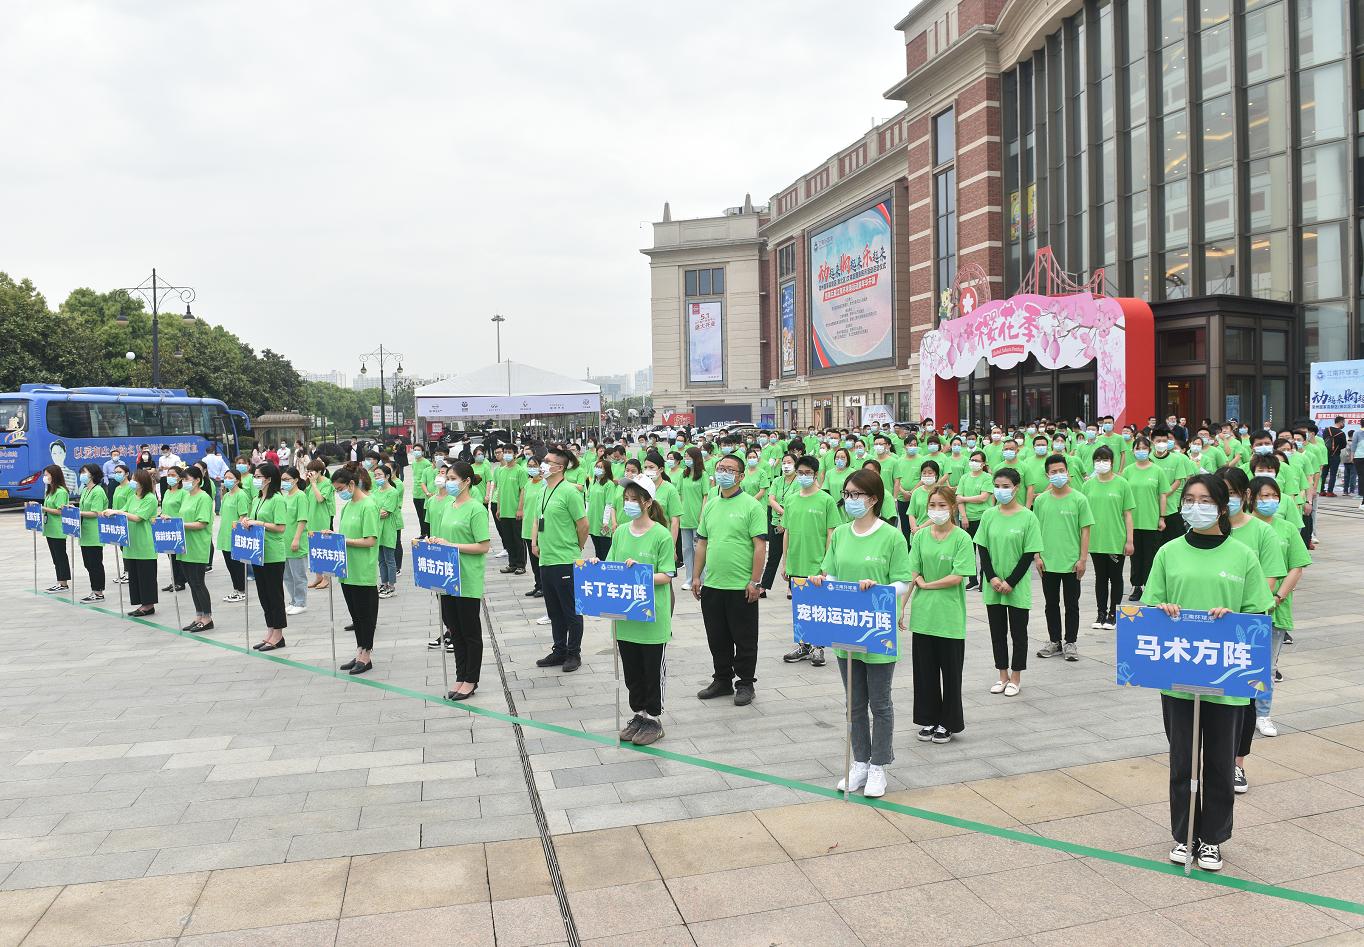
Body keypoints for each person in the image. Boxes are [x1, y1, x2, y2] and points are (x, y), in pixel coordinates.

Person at [1143, 474, 1272, 872]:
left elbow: (1258, 614)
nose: (1195, 506)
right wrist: (1163, 610)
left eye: (1204, 500)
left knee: (1218, 761)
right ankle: (1183, 834)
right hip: (1180, 675)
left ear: (1221, 506)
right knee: (1184, 760)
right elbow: (1148, 608)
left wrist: (1232, 617)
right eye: (1189, 499)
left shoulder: (1242, 556)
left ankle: (1212, 838)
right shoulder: (1168, 553)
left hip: (1227, 679)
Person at [809, 468, 912, 795]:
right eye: (847, 494)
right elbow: (830, 572)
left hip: (877, 631)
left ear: (873, 499)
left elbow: (903, 581)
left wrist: (878, 587)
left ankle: (880, 766)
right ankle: (859, 764)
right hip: (846, 630)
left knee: (879, 704)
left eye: (856, 495)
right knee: (854, 703)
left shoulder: (892, 536)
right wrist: (819, 581)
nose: (850, 500)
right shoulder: (840, 533)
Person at [604, 476, 676, 746]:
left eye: (635, 499)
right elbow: (610, 565)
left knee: (651, 670)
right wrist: (594, 565)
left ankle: (654, 719)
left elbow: (667, 574)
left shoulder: (661, 534)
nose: (630, 504)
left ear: (648, 502)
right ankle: (638, 713)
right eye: (627, 499)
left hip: (651, 616)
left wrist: (640, 573)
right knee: (632, 668)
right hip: (625, 616)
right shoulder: (621, 531)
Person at [692, 451, 767, 706]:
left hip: (741, 586)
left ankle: (745, 683)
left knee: (744, 638)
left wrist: (755, 581)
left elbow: (760, 546)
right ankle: (722, 679)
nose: (723, 473)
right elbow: (702, 543)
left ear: (741, 476)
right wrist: (695, 576)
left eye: (730, 469)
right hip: (713, 584)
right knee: (717, 636)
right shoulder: (711, 504)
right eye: (721, 468)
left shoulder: (751, 506)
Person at [903, 484, 976, 745]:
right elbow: (912, 570)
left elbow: (959, 576)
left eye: (942, 505)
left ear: (953, 507)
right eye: (932, 505)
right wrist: (902, 606)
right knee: (925, 672)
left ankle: (949, 721)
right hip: (923, 615)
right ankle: (929, 718)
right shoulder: (920, 537)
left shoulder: (962, 539)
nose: (937, 510)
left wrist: (927, 584)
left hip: (949, 616)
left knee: (951, 672)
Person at [1247, 474, 1309, 739]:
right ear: (1251, 498)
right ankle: (1241, 711)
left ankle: (1263, 714)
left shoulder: (1286, 528)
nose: (1269, 501)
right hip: (1244, 607)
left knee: (1266, 666)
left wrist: (1278, 597)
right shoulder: (1241, 527)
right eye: (1264, 496)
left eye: (1274, 496)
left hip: (1275, 608)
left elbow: (1297, 566)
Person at [974, 467, 1041, 696]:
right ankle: (1002, 674)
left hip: (1016, 587)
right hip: (993, 586)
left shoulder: (1028, 517)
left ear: (1016, 488)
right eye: (998, 486)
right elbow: (982, 548)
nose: (1001, 491)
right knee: (997, 632)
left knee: (1018, 633)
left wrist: (1010, 582)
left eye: (1006, 486)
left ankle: (1016, 676)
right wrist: (991, 576)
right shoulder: (989, 515)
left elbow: (1028, 553)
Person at [427, 461, 490, 699]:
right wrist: (435, 542)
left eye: (453, 478)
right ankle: (460, 675)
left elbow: (483, 546)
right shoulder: (448, 506)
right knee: (455, 631)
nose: (448, 482)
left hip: (467, 578)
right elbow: (443, 538)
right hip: (447, 578)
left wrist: (451, 546)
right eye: (447, 478)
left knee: (470, 632)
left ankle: (471, 679)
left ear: (466, 482)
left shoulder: (476, 509)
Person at [532, 447, 590, 672]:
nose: (542, 464)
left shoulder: (569, 492)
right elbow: (538, 519)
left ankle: (574, 653)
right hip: (546, 559)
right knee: (554, 610)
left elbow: (583, 524)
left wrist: (578, 546)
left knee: (571, 610)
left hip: (566, 559)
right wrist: (535, 542)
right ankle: (559, 650)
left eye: (547, 461)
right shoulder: (543, 490)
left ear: (559, 467)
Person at [1032, 454, 1094, 661]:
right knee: (1051, 603)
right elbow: (1036, 530)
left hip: (1071, 563)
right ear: (1047, 475)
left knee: (1072, 604)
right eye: (1053, 472)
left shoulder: (1079, 499)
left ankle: (1071, 642)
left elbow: (1085, 531)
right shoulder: (1040, 501)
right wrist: (1037, 556)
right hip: (1048, 562)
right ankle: (1054, 641)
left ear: (1068, 472)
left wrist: (1082, 559)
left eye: (1061, 471)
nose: (1058, 475)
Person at [780, 455, 839, 666]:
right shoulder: (791, 499)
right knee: (800, 606)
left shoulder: (826, 500)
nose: (803, 476)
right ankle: (803, 645)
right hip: (796, 562)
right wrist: (786, 562)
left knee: (818, 607)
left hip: (817, 564)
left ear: (815, 475)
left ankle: (818, 647)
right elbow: (786, 531)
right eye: (800, 472)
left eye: (808, 473)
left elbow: (831, 534)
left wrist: (826, 564)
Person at [332, 466, 380, 674]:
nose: (339, 493)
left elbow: (370, 540)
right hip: (347, 569)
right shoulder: (348, 506)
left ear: (352, 484)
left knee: (365, 615)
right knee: (355, 615)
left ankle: (367, 655)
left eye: (340, 488)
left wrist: (344, 541)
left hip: (362, 570)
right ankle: (359, 650)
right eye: (336, 490)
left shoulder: (368, 506)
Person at [1081, 445, 1135, 629]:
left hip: (1115, 539)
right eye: (1098, 459)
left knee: (1116, 577)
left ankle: (1114, 614)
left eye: (1105, 459)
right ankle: (1100, 614)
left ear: (1112, 462)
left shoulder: (1122, 484)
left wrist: (1129, 540)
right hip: (1095, 540)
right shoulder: (1087, 485)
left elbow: (1128, 514)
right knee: (1100, 577)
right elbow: (1082, 515)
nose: (1101, 463)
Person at [244, 463, 290, 652]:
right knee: (263, 594)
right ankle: (270, 629)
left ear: (269, 479)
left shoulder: (277, 499)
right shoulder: (257, 498)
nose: (255, 479)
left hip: (273, 553)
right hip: (258, 552)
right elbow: (252, 519)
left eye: (258, 476)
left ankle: (278, 634)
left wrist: (259, 522)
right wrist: (246, 522)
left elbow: (280, 527)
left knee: (274, 594)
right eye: (254, 476)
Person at [1124, 436, 1171, 601]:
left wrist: (1162, 517)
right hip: (1133, 521)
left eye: (1144, 448)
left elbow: (1162, 496)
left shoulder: (1157, 470)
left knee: (1150, 557)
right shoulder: (1128, 471)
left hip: (1151, 521)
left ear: (1149, 450)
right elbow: (1123, 497)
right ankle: (1137, 587)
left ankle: (1150, 587)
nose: (1141, 451)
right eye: (1138, 448)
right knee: (1135, 557)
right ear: (1133, 451)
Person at [108, 469, 159, 616]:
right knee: (135, 575)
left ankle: (149, 605)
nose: (132, 482)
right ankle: (141, 603)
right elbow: (124, 510)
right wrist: (111, 512)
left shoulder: (150, 498)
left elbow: (138, 517)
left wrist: (119, 512)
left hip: (144, 542)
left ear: (142, 482)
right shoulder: (133, 496)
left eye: (135, 479)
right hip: (131, 541)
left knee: (146, 575)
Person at [177, 466, 215, 632]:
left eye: (187, 479)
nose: (184, 482)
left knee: (199, 582)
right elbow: (183, 517)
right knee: (192, 583)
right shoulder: (186, 496)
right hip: (185, 544)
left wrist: (181, 525)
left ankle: (207, 618)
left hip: (198, 544)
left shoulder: (204, 498)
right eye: (183, 479)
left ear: (198, 480)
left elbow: (202, 523)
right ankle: (198, 615)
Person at [957, 450, 994, 590]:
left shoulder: (987, 478)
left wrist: (964, 499)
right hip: (967, 519)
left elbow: (983, 497)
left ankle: (985, 579)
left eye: (977, 460)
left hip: (982, 518)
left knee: (983, 550)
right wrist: (964, 516)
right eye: (972, 459)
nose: (974, 462)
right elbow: (958, 498)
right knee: (968, 550)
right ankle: (972, 580)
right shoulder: (964, 478)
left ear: (983, 463)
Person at [492, 449, 529, 575]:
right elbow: (500, 490)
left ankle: (521, 565)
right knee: (508, 539)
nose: (506, 454)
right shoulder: (501, 471)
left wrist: (520, 509)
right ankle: (512, 563)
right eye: (505, 452)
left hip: (515, 511)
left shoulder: (520, 470)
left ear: (515, 454)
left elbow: (523, 490)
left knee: (518, 539)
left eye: (509, 452)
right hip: (504, 511)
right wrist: (498, 508)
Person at [74, 464, 107, 603]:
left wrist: (78, 513)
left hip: (94, 532)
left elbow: (96, 512)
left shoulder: (98, 491)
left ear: (92, 474)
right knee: (88, 563)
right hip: (85, 532)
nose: (82, 474)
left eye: (84, 472)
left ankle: (98, 592)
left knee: (95, 563)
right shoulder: (86, 490)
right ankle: (94, 590)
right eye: (81, 472)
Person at [280, 467, 309, 615]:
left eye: (287, 480)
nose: (284, 482)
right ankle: (293, 601)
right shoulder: (284, 497)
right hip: (284, 541)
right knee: (287, 575)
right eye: (282, 480)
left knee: (299, 575)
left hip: (296, 541)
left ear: (296, 480)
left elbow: (302, 519)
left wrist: (296, 538)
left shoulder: (300, 496)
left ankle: (301, 602)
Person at [216, 470, 249, 603]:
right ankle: (236, 589)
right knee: (230, 565)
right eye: (225, 477)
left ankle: (242, 590)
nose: (227, 480)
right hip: (225, 535)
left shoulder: (241, 495)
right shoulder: (227, 495)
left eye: (230, 477)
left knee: (237, 565)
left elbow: (243, 516)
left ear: (237, 480)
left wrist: (237, 532)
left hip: (235, 535)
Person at [304, 459, 337, 590]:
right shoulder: (311, 485)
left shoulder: (327, 484)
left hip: (322, 519)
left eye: (311, 471)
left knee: (324, 548)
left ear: (319, 472)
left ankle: (326, 578)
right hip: (311, 519)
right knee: (314, 549)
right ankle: (318, 576)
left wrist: (313, 484)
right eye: (308, 471)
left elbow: (320, 499)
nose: (309, 474)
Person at [38, 464, 71, 593]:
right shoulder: (50, 491)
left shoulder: (61, 492)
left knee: (60, 555)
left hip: (58, 529)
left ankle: (63, 583)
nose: (45, 477)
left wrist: (43, 508)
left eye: (47, 475)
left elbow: (60, 511)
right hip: (50, 528)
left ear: (54, 475)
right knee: (55, 557)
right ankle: (59, 581)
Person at [677, 446, 706, 584]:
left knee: (698, 549)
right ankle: (689, 578)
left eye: (688, 456)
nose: (686, 459)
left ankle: (701, 578)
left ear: (696, 458)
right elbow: (678, 494)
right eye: (685, 456)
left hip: (697, 517)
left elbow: (706, 496)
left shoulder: (703, 475)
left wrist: (702, 514)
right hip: (685, 517)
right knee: (686, 549)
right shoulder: (684, 474)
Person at [372, 463, 401, 598]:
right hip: (377, 529)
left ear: (387, 476)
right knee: (381, 560)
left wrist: (374, 512)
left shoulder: (393, 492)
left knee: (389, 559)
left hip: (388, 529)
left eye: (379, 475)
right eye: (375, 475)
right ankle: (383, 583)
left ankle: (391, 586)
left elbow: (385, 512)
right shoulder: (375, 492)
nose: (377, 477)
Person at [521, 455, 546, 598]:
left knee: (539, 558)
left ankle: (543, 586)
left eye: (534, 465)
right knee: (532, 560)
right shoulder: (528, 483)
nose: (531, 468)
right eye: (529, 466)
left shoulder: (544, 484)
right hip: (527, 526)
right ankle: (537, 585)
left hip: (539, 527)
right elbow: (524, 502)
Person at [159, 467, 187, 594]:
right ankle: (174, 580)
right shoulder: (167, 491)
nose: (169, 477)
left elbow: (185, 510)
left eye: (173, 475)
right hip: (166, 528)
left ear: (180, 477)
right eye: (168, 474)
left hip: (177, 527)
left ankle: (180, 581)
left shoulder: (184, 492)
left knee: (178, 557)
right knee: (171, 556)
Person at [587, 457, 617, 560]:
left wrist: (605, 522)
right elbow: (588, 500)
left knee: (605, 552)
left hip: (603, 522)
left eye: (600, 467)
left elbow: (609, 504)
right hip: (593, 520)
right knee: (598, 550)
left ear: (606, 470)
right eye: (596, 467)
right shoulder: (593, 482)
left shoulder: (609, 484)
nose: (597, 469)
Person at [410, 443, 434, 538]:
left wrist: (428, 492)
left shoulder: (426, 463)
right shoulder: (414, 463)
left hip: (425, 494)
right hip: (416, 493)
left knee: (425, 517)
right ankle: (423, 533)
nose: (416, 452)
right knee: (420, 516)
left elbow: (428, 479)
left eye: (418, 450)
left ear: (423, 452)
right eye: (415, 450)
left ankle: (428, 534)